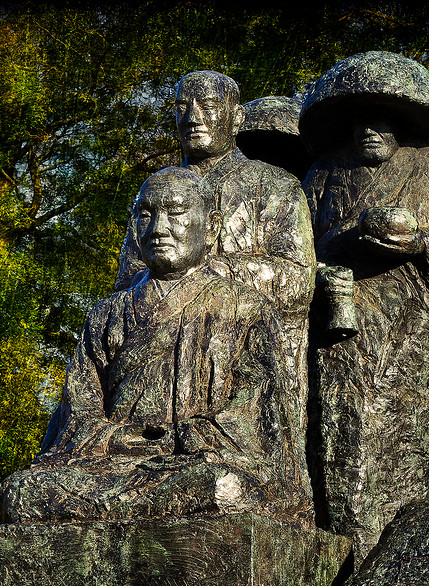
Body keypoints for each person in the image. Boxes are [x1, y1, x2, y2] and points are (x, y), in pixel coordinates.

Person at [0, 167, 313, 527]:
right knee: (20, 494)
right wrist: (126, 438)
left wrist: (178, 438)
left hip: (195, 462)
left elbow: (253, 418)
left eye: (175, 212)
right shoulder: (105, 314)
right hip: (114, 463)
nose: (158, 228)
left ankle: (126, 506)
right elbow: (76, 416)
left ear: (212, 225)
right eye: (146, 214)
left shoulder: (246, 309)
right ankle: (132, 505)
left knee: (224, 488)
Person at [300, 52, 429, 562]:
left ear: (407, 120)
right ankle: (350, 570)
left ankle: (419, 568)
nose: (369, 130)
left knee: (415, 453)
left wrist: (421, 242)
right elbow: (297, 248)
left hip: (417, 333)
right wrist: (333, 260)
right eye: (359, 120)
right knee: (346, 450)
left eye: (382, 119)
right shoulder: (325, 172)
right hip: (343, 332)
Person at [115, 71, 316, 456]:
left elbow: (298, 282)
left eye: (207, 106)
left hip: (244, 361)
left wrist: (207, 272)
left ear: (237, 117)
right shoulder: (155, 190)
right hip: (156, 361)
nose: (192, 117)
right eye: (181, 108)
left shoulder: (275, 186)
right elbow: (129, 277)